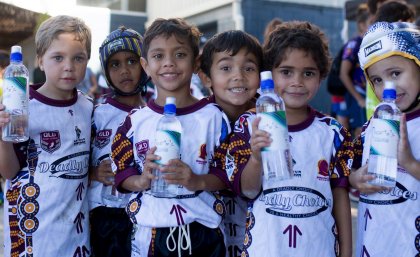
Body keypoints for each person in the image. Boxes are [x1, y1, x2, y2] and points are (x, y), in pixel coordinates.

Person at [224, 21, 353, 256]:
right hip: (265, 248)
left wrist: (346, 252)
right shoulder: (249, 125)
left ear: (321, 76)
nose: (297, 81)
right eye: (286, 72)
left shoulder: (332, 132)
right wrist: (255, 158)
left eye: (308, 73)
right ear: (269, 75)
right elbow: (248, 191)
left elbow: (340, 195)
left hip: (318, 248)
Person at [111, 18, 227, 257]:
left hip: (204, 233)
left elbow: (227, 173)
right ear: (145, 65)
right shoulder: (135, 122)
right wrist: (142, 180)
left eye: (180, 54)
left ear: (196, 63)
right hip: (151, 235)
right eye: (158, 56)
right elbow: (122, 173)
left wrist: (197, 180)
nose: (169, 64)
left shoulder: (214, 117)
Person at [0, 15, 93, 256]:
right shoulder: (22, 107)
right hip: (33, 237)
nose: (68, 66)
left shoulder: (90, 108)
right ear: (40, 60)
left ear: (87, 61)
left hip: (76, 238)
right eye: (58, 57)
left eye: (78, 58)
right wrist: (2, 138)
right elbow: (9, 172)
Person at [350, 21, 420, 257]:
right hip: (374, 246)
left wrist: (410, 163)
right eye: (377, 80)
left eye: (396, 73)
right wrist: (356, 179)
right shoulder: (373, 126)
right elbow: (353, 168)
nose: (388, 86)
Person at [199, 30, 263, 256]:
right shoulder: (196, 121)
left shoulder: (270, 120)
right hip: (208, 235)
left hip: (260, 234)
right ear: (206, 77)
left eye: (249, 68)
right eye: (226, 68)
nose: (239, 76)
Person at [88, 26, 149, 257]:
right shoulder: (95, 114)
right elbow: (72, 159)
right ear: (106, 70)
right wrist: (93, 172)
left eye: (131, 61)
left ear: (144, 64)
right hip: (103, 216)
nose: (124, 70)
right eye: (115, 64)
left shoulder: (154, 116)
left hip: (142, 214)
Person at [339, 4, 370, 138]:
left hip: (367, 95)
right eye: (372, 23)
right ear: (362, 25)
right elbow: (343, 74)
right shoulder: (355, 43)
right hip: (357, 96)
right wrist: (358, 99)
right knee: (359, 132)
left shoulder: (371, 43)